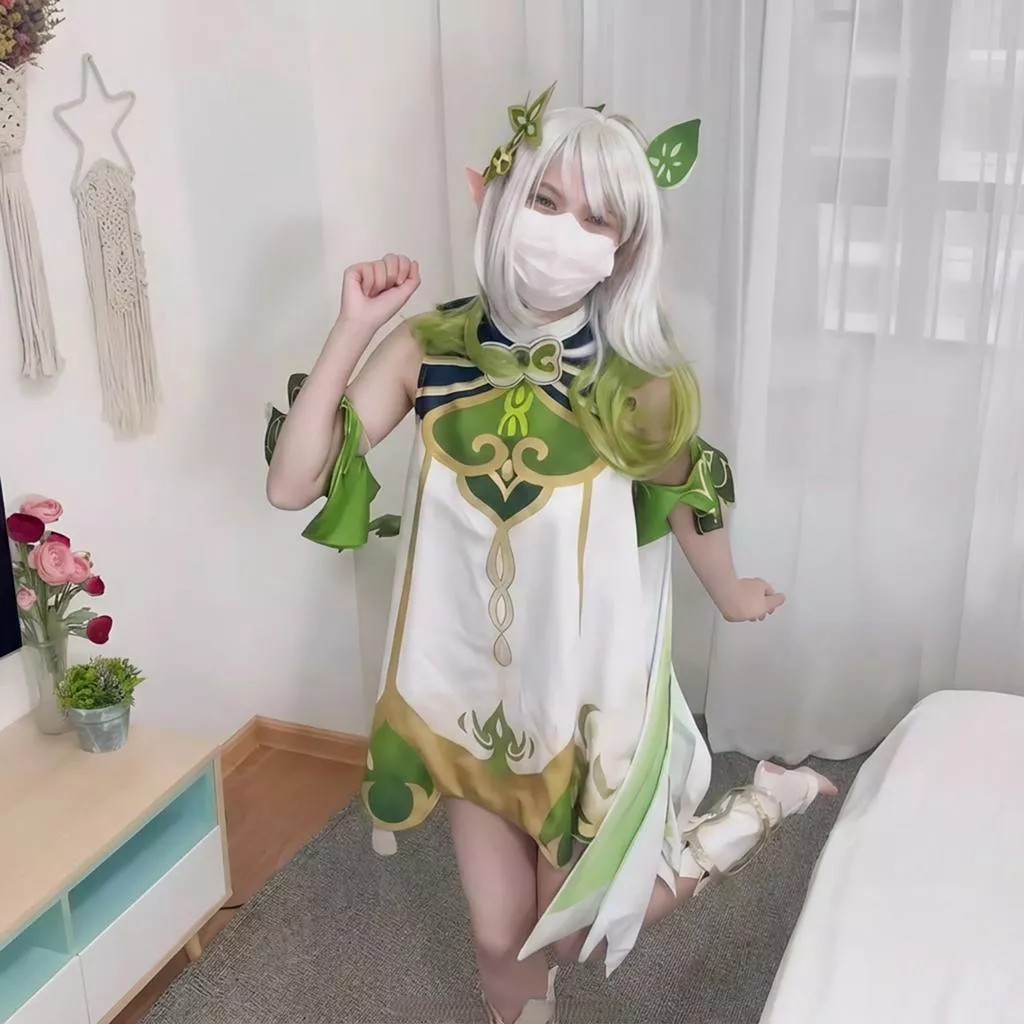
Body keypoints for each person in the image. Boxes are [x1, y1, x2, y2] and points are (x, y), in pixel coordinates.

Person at [267, 87, 836, 1024]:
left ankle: (758, 810)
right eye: (545, 200)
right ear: (495, 196)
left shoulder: (635, 381)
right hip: (471, 695)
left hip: (583, 699)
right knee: (500, 939)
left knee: (569, 934)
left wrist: (731, 590)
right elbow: (295, 483)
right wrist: (353, 329)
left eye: (596, 218)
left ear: (624, 247)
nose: (565, 231)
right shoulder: (429, 348)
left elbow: (685, 494)